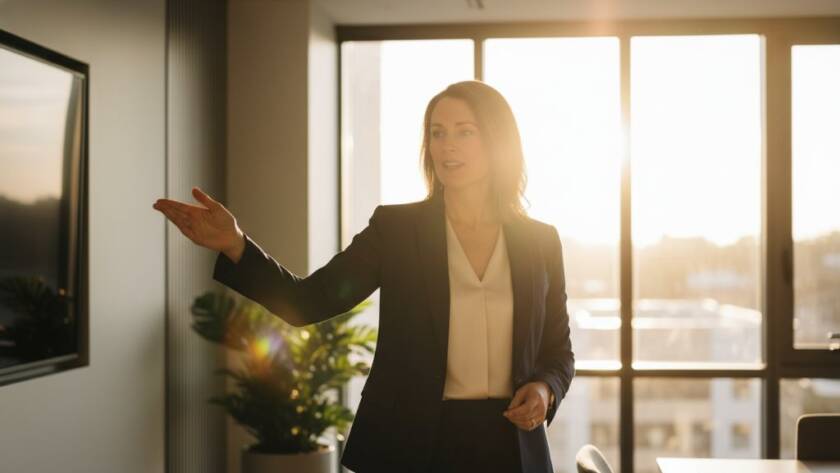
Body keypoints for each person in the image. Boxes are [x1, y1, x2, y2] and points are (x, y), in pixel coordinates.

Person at [153, 79, 574, 473]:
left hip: (511, 446)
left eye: (465, 131)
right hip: (413, 443)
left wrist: (544, 389)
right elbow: (306, 302)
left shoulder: (540, 241)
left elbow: (558, 352)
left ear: (498, 141)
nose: (447, 145)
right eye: (437, 132)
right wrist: (236, 245)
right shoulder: (396, 230)